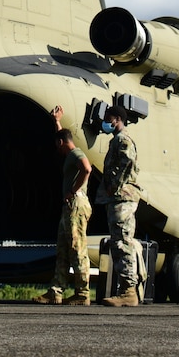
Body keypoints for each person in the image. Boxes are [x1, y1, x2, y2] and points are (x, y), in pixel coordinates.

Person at [37, 105, 93, 305]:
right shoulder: (71, 152)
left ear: (61, 143)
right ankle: (56, 291)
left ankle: (82, 293)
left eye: (57, 144)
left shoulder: (76, 154)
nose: (57, 149)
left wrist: (74, 190)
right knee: (63, 248)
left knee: (77, 248)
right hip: (70, 206)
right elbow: (63, 138)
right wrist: (56, 121)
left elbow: (87, 168)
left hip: (75, 205)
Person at [99, 103, 144, 307]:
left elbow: (127, 161)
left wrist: (115, 186)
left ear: (116, 119)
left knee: (122, 242)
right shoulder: (116, 140)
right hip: (117, 197)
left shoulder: (123, 139)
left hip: (122, 197)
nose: (105, 122)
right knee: (118, 241)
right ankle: (126, 290)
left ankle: (129, 291)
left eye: (108, 118)